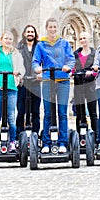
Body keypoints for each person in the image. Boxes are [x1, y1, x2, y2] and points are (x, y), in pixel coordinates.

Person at [32, 17, 75, 154]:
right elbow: (35, 61)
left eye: (55, 27)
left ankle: (62, 142)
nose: (52, 29)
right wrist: (37, 68)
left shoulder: (64, 43)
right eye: (50, 27)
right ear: (47, 28)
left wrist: (68, 66)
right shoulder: (41, 45)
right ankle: (46, 142)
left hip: (62, 81)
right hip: (47, 81)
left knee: (62, 113)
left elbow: (71, 59)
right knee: (48, 113)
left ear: (58, 28)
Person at [0, 31, 25, 152]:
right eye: (6, 38)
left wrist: (18, 73)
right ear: (1, 39)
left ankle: (12, 142)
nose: (8, 41)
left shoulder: (16, 54)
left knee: (11, 117)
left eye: (10, 39)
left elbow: (21, 69)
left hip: (12, 88)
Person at [16, 24, 41, 141]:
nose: (30, 33)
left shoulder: (40, 47)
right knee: (21, 111)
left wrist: (42, 74)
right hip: (23, 83)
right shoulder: (19, 48)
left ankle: (35, 136)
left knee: (35, 111)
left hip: (35, 83)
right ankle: (19, 137)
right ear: (24, 34)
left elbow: (45, 61)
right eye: (28, 32)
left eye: (32, 32)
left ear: (35, 34)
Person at [73, 31, 98, 140]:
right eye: (81, 38)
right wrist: (71, 72)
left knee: (92, 111)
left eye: (84, 38)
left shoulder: (94, 53)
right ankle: (80, 136)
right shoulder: (76, 54)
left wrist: (93, 73)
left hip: (90, 85)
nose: (83, 40)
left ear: (89, 40)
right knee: (79, 111)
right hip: (78, 84)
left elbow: (97, 68)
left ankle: (96, 136)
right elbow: (72, 66)